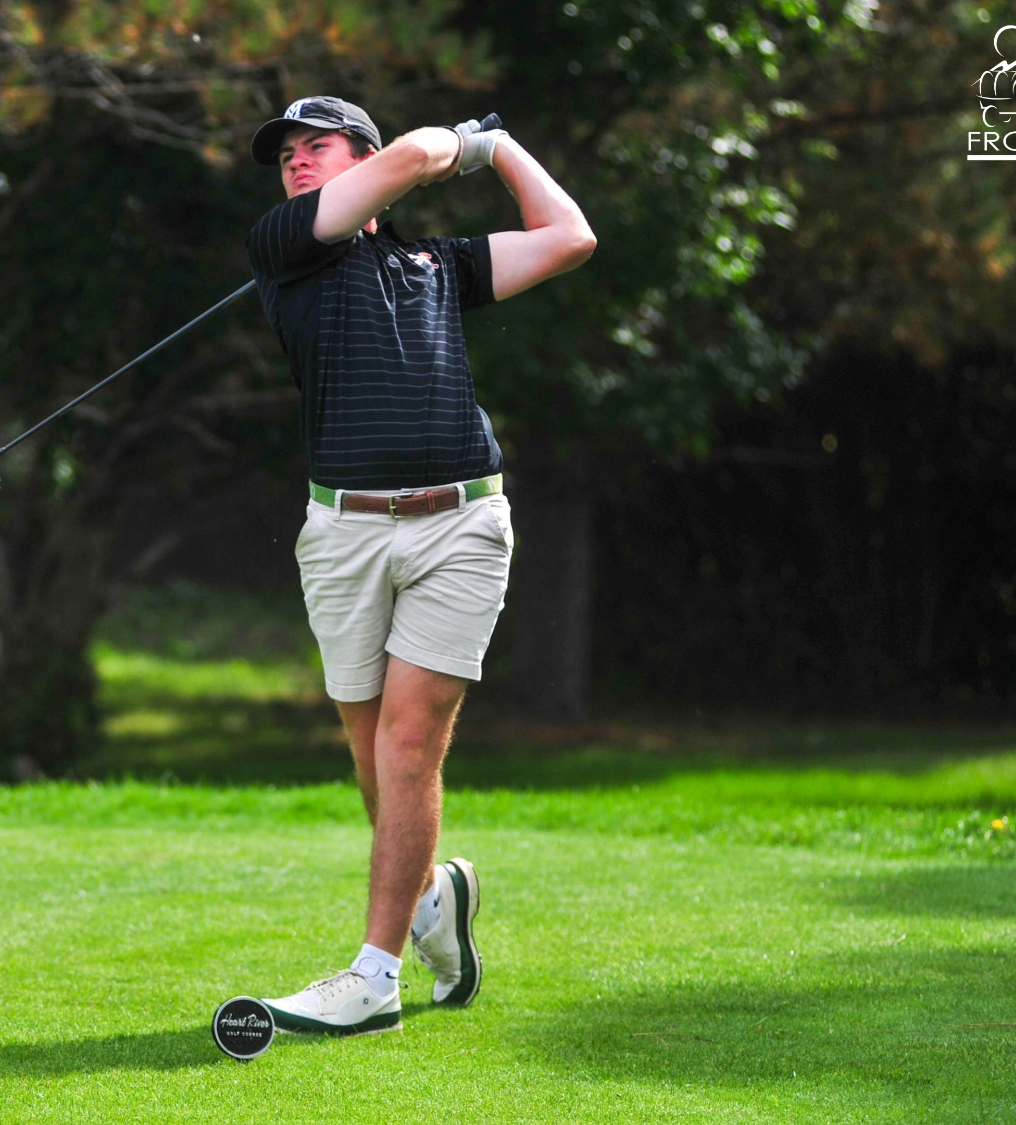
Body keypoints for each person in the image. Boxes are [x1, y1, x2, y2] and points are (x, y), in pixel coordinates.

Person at [245, 96, 596, 1034]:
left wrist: (506, 147)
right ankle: (435, 898)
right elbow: (411, 154)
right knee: (372, 757)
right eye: (286, 155)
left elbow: (569, 237)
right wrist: (454, 144)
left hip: (461, 526)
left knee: (406, 743)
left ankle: (373, 974)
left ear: (356, 153)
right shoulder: (284, 245)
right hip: (342, 533)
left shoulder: (437, 264)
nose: (296, 164)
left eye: (316, 148)